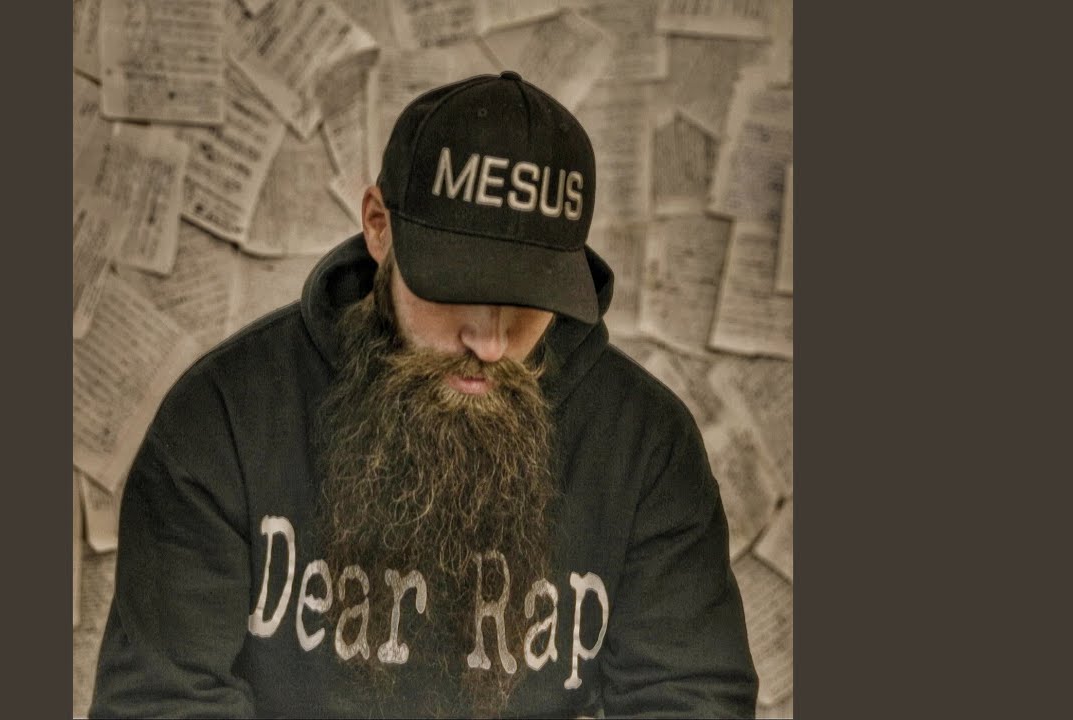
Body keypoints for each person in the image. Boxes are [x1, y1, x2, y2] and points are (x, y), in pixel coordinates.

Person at [90, 71, 758, 718]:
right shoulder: (223, 419)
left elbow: (693, 699)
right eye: (458, 288)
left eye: (528, 301)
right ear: (380, 226)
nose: (489, 342)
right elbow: (158, 700)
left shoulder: (647, 448)